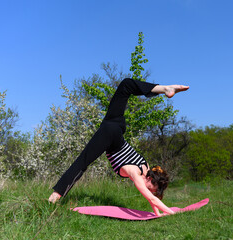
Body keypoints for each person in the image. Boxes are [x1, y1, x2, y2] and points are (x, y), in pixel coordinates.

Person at [48, 78, 189, 216]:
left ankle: (165, 89)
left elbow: (151, 198)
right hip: (109, 135)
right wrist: (172, 213)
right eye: (153, 189)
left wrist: (157, 213)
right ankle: (54, 198)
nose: (152, 192)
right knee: (82, 162)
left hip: (117, 125)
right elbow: (151, 198)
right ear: (151, 180)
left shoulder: (146, 166)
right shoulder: (136, 174)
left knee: (126, 85)